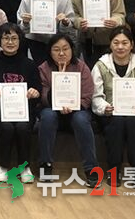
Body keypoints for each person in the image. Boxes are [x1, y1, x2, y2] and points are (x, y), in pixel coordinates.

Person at [92, 27, 135, 187]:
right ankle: (113, 171)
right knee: (118, 122)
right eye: (116, 43)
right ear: (110, 44)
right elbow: (96, 97)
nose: (120, 47)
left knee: (133, 122)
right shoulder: (100, 66)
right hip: (110, 114)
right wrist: (105, 107)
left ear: (131, 44)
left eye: (124, 43)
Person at [38, 34, 100, 187]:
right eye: (56, 49)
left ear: (72, 49)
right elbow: (43, 96)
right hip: (52, 109)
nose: (61, 53)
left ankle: (91, 168)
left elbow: (87, 95)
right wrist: (59, 79)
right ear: (50, 51)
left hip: (77, 109)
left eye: (65, 49)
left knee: (81, 120)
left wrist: (73, 106)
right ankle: (45, 165)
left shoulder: (81, 67)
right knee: (47, 117)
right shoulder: (44, 68)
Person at [0, 23, 41, 184]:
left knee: (23, 128)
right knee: (6, 128)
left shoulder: (29, 64)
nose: (10, 42)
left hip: (24, 112)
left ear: (20, 41)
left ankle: (24, 167)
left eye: (14, 38)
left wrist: (35, 92)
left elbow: (38, 89)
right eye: (6, 38)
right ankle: (2, 166)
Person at [17, 0, 76, 65]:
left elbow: (70, 24)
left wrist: (65, 22)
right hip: (36, 42)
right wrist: (25, 23)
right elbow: (21, 29)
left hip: (58, 41)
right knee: (40, 69)